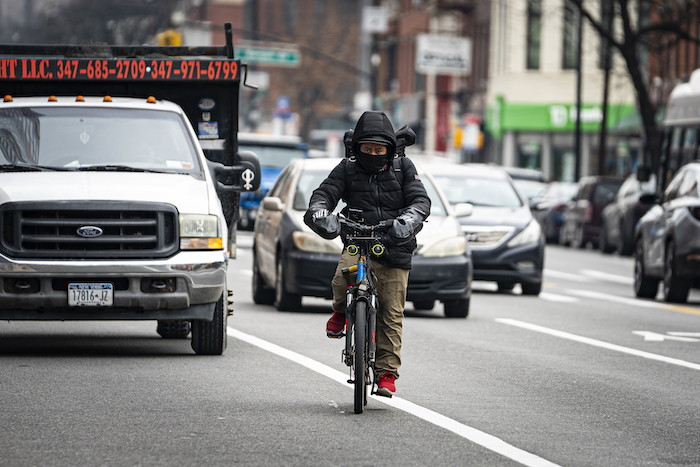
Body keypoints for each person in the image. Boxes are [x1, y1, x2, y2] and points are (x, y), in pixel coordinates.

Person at [303, 110, 430, 397]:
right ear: (357, 147)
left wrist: (407, 220)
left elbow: (420, 200)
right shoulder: (347, 168)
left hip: (396, 246)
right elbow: (324, 194)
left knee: (392, 312)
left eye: (379, 149)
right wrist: (322, 213)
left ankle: (386, 374)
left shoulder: (403, 167)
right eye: (367, 148)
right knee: (341, 277)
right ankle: (340, 312)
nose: (373, 153)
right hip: (357, 239)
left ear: (389, 149)